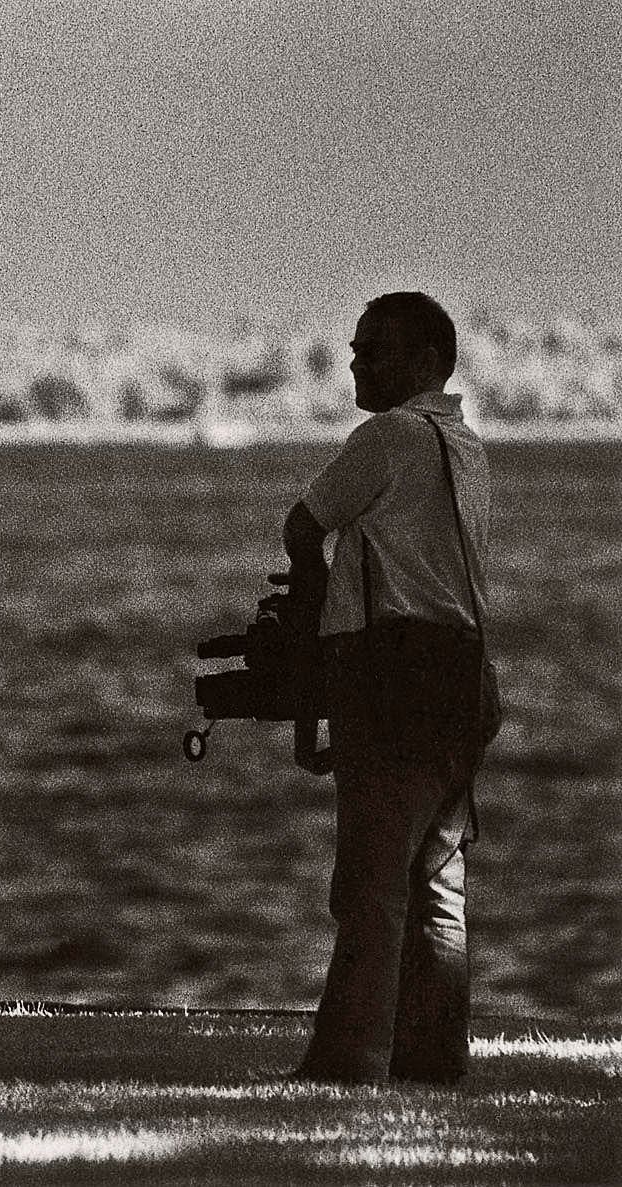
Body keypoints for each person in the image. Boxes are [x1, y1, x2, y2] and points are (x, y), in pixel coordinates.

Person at [283, 291, 499, 1084]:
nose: (355, 363)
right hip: (464, 677)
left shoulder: (388, 437)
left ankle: (346, 1061)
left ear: (418, 364)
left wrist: (312, 621)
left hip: (396, 678)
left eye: (372, 351)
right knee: (437, 880)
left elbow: (305, 523)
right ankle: (432, 1060)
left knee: (371, 884)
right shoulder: (466, 446)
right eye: (355, 348)